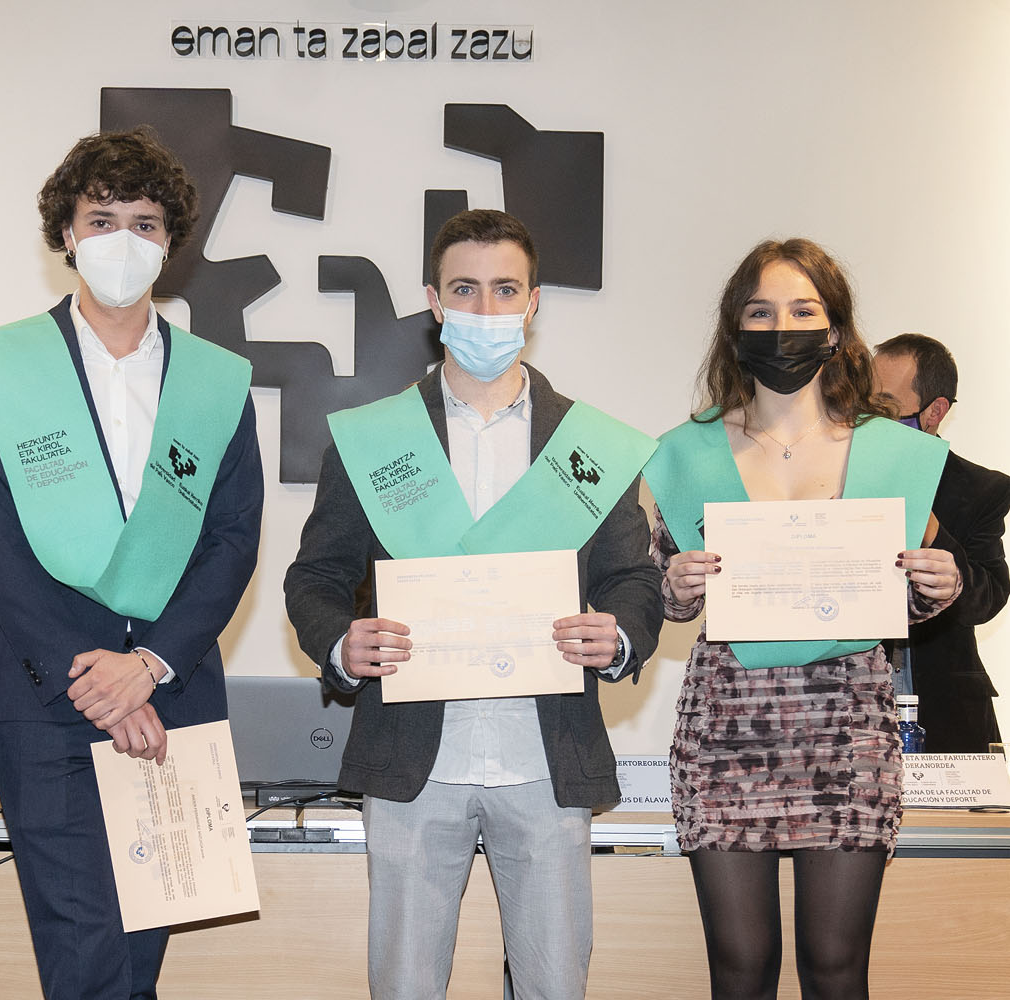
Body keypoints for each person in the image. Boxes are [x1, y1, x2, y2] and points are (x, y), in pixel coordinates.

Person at [284, 208, 663, 1000]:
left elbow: (632, 580)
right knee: (405, 987)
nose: (485, 308)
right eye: (464, 289)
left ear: (533, 303)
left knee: (555, 986)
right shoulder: (373, 438)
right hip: (412, 755)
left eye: (505, 289)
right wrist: (341, 643)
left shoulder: (589, 443)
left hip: (547, 753)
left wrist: (620, 634)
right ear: (434, 301)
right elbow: (313, 578)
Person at [0, 127, 263, 1000]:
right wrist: (93, 678)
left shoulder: (216, 381)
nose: (122, 241)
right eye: (101, 220)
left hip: (174, 696)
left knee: (136, 965)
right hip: (50, 696)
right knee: (84, 955)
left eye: (144, 223)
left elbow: (233, 539)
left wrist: (149, 665)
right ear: (67, 233)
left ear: (169, 243)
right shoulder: (2, 366)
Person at [643, 239, 962, 1000]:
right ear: (735, 329)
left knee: (836, 968)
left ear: (835, 328)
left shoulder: (890, 451)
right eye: (760, 312)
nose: (781, 327)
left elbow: (910, 588)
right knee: (740, 969)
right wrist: (674, 589)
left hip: (848, 730)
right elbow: (666, 594)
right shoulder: (684, 452)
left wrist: (938, 583)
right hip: (727, 729)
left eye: (802, 309)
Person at [873, 333, 1008, 751]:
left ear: (934, 411)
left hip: (947, 712)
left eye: (885, 408)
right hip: (855, 710)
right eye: (863, 406)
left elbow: (986, 600)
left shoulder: (982, 489)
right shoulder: (830, 478)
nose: (870, 420)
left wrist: (928, 525)